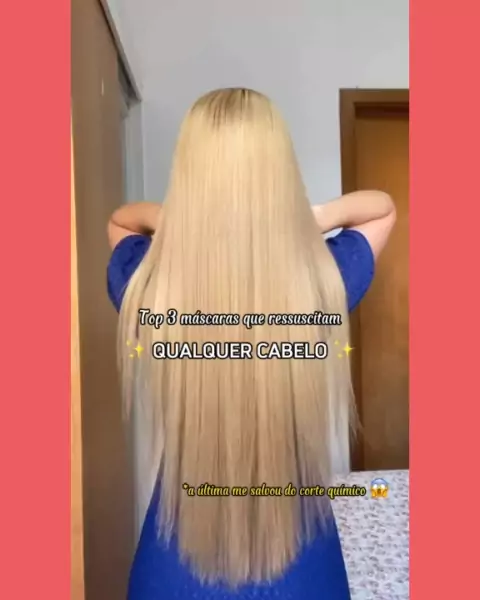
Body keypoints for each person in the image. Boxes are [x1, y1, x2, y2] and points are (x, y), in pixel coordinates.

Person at [106, 88, 396, 599]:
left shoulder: (152, 286)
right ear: (279, 175)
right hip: (303, 566)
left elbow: (122, 219)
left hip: (173, 563)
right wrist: (310, 217)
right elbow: (381, 209)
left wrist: (182, 222)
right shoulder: (321, 281)